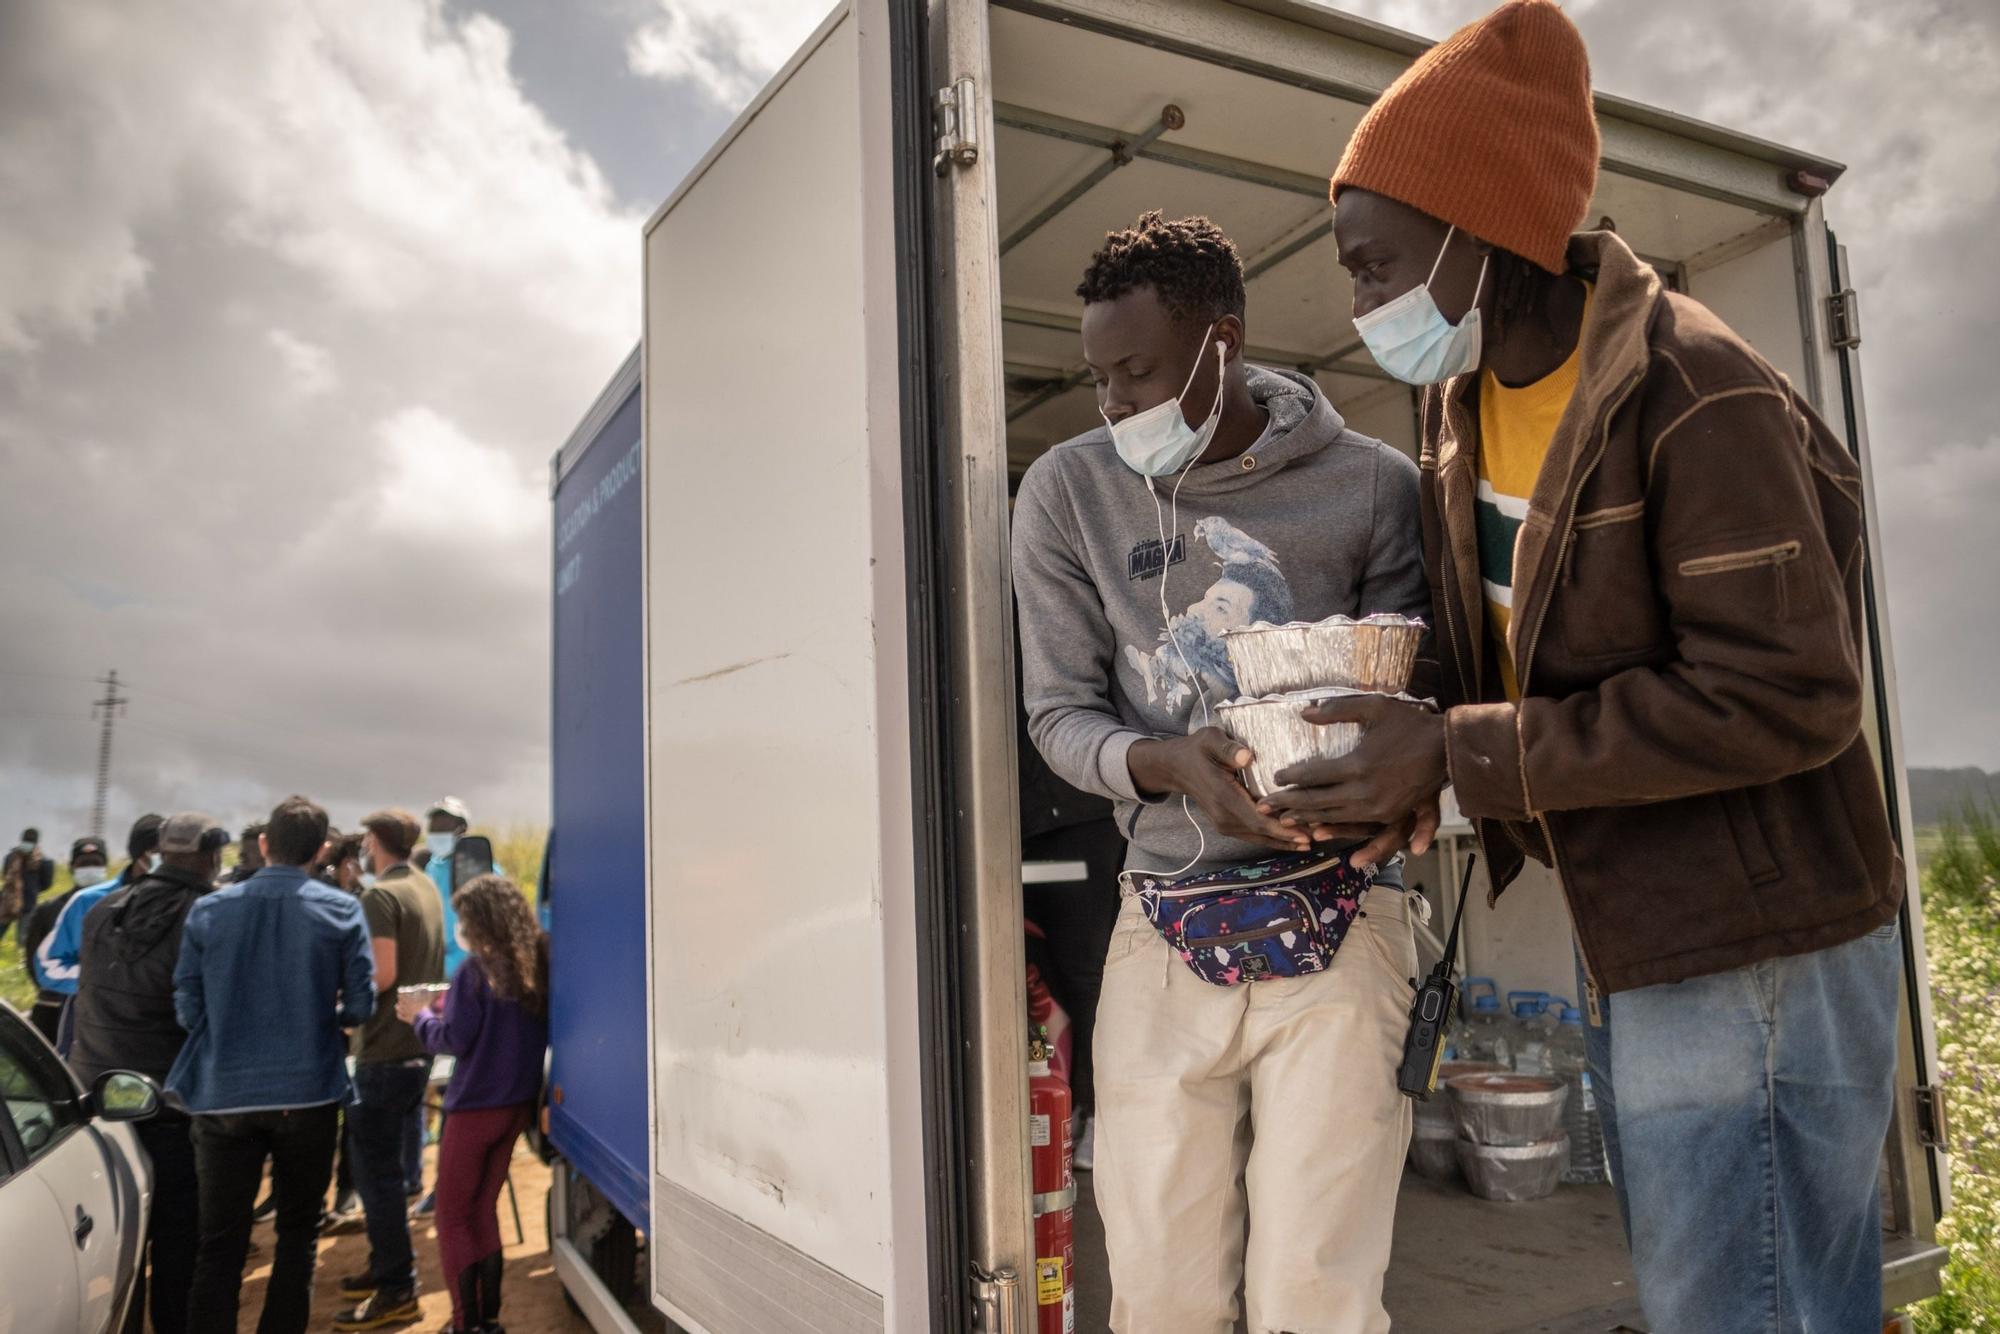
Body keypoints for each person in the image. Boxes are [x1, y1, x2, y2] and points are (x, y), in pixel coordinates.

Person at [1267, 4, 1906, 1328]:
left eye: (1377, 264)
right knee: (1706, 1284)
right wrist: (1394, 765)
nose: (1359, 300)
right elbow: (1505, 652)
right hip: (1646, 921)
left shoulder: (1698, 393)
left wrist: (1458, 756)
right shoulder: (1465, 409)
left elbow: (1787, 694)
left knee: (1749, 1298)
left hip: (1759, 938)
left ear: (1480, 230)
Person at [1010, 210, 1433, 1332]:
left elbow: (1411, 703)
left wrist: (1398, 786)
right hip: (1160, 921)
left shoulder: (1374, 483)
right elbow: (1057, 717)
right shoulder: (1065, 490)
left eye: (1137, 372)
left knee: (1317, 1293)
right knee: (1156, 1295)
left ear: (1222, 343)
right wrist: (1163, 762)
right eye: (1098, 376)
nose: (1111, 403)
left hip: (1344, 919)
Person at [169, 795, 375, 1334]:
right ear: (323, 850)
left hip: (223, 1094)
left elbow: (187, 1006)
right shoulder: (342, 909)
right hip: (306, 1094)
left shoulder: (210, 909)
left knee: (219, 1245)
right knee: (298, 1238)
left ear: (264, 845)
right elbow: (360, 1006)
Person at [70, 812, 228, 1334]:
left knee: (115, 1249)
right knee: (179, 1245)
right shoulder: (208, 916)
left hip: (97, 1106)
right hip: (173, 1108)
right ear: (212, 855)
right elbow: (209, 1014)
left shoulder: (102, 910)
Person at [397, 875, 548, 1334]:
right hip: (514, 1107)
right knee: (483, 1211)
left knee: (452, 1216)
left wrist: (419, 1016)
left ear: (480, 921)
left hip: (473, 1110)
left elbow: (453, 1039)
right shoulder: (535, 967)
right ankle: (489, 1318)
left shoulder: (474, 972)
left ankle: (466, 1322)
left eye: (465, 918)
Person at [333, 808, 445, 1331]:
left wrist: (337, 999)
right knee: (392, 1174)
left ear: (375, 841)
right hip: (417, 1047)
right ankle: (385, 1270)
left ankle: (398, 1289)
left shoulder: (380, 896)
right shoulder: (423, 886)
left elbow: (382, 975)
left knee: (375, 1177)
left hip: (382, 1050)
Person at [36, 812, 166, 1021]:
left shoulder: (187, 901)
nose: (166, 860)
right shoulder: (87, 901)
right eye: (158, 852)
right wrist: (104, 981)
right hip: (95, 1028)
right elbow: (48, 965)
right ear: (139, 854)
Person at [21, 836, 107, 1042]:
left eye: (95, 863)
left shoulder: (118, 907)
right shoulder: (50, 910)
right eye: (83, 864)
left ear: (104, 866)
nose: (90, 868)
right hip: (54, 1007)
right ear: (71, 867)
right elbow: (34, 958)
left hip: (99, 1011)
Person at [2, 827, 54, 940]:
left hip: (25, 903)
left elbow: (46, 883)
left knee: (23, 939)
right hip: (8, 902)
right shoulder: (11, 858)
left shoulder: (44, 862)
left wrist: (31, 889)